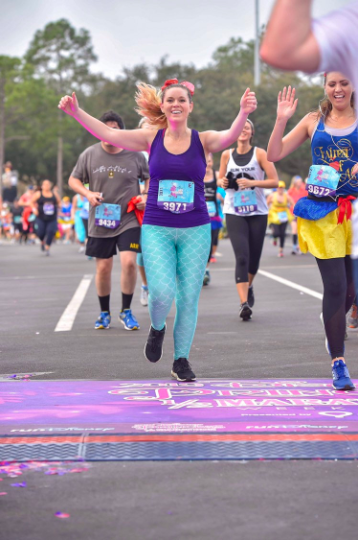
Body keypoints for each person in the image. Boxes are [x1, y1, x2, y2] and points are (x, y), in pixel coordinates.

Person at [59, 80, 257, 381]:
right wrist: (77, 113)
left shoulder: (202, 140)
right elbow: (110, 133)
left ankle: (181, 360)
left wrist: (243, 113)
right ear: (163, 106)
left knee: (189, 298)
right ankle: (158, 327)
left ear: (190, 106)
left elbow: (230, 135)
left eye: (182, 99)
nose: (176, 104)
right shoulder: (151, 137)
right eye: (170, 100)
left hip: (195, 227)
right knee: (162, 293)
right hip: (157, 227)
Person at [267, 75, 357, 391]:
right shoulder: (312, 121)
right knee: (335, 285)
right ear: (325, 87)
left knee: (352, 290)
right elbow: (274, 154)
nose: (338, 89)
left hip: (356, 213)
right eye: (332, 83)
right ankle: (338, 362)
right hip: (324, 213)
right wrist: (280, 120)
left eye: (345, 82)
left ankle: (333, 319)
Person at [68, 110, 149, 331]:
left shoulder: (135, 155)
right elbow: (73, 179)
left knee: (129, 263)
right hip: (101, 220)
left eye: (115, 128)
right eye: (105, 128)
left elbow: (150, 177)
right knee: (103, 268)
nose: (110, 132)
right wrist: (87, 194)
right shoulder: (89, 154)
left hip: (128, 219)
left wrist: (146, 195)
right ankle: (104, 313)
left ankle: (126, 311)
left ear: (121, 131)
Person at [219, 119, 279, 320]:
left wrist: (252, 182)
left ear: (251, 132)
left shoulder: (260, 154)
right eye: (240, 127)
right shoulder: (226, 154)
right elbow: (220, 179)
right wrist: (223, 181)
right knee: (242, 256)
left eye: (247, 127)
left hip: (258, 212)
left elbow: (275, 181)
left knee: (254, 258)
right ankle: (243, 303)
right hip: (234, 211)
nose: (243, 130)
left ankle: (249, 285)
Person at [203, 153, 223, 286]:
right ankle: (199, 270)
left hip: (214, 216)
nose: (208, 164)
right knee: (200, 244)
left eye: (209, 161)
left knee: (210, 243)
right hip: (199, 215)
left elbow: (224, 190)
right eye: (205, 161)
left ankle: (206, 270)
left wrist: (220, 195)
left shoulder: (217, 175)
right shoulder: (196, 175)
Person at [32, 180, 61, 255]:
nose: (47, 186)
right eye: (45, 184)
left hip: (52, 218)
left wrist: (60, 207)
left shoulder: (54, 194)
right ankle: (42, 241)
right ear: (42, 186)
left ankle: (47, 247)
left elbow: (59, 202)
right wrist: (34, 209)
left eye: (48, 184)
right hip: (41, 217)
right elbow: (31, 202)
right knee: (40, 232)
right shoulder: (38, 194)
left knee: (51, 231)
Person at [267, 181, 294, 258]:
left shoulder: (286, 196)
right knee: (277, 233)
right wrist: (267, 211)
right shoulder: (272, 196)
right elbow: (266, 204)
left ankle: (281, 250)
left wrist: (294, 210)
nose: (280, 189)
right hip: (274, 215)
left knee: (282, 233)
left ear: (283, 188)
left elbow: (293, 203)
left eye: (282, 187)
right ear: (277, 188)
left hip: (284, 215)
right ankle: (274, 237)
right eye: (279, 187)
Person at [288, 175, 306, 254]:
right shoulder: (290, 191)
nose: (300, 183)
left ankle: (300, 246)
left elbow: (307, 199)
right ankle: (294, 246)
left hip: (301, 213)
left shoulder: (304, 190)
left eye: (301, 182)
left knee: (300, 231)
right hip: (293, 213)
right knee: (294, 230)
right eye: (299, 182)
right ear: (295, 183)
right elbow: (287, 200)